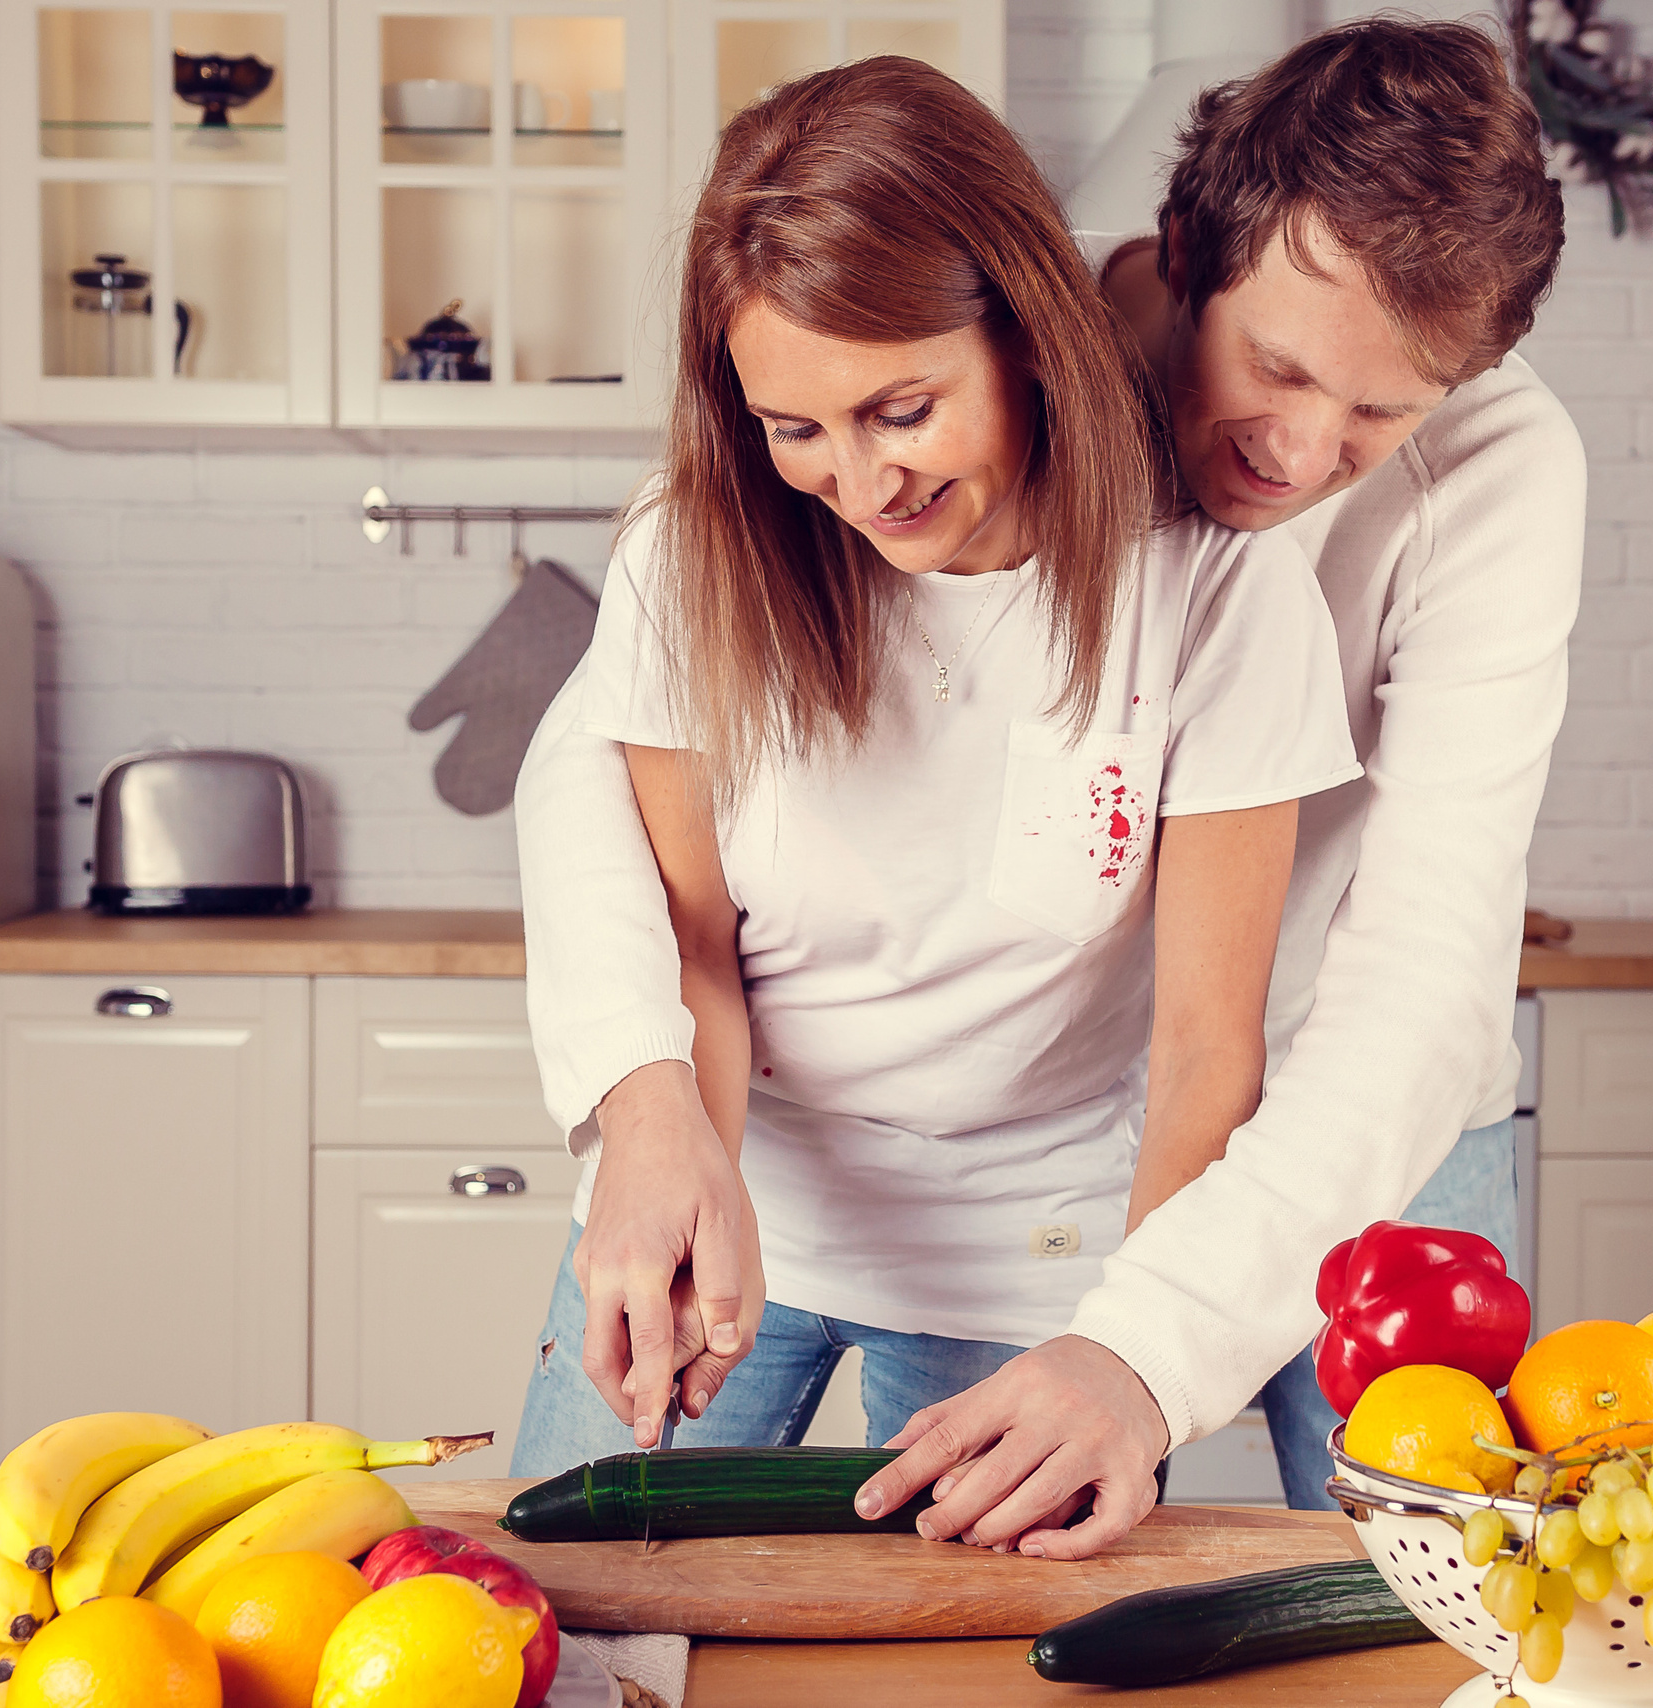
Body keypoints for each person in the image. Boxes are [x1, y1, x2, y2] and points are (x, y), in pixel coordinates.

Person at [516, 19, 1584, 1556]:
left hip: (1347, 1085)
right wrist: (650, 1094)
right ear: (1182, 257)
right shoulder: (956, 330)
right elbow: (609, 745)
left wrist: (1142, 1347)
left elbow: (1423, 966)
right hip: (1057, 1086)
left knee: (1435, 1573)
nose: (1301, 451)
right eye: (1275, 367)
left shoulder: (1482, 482)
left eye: (1383, 412)